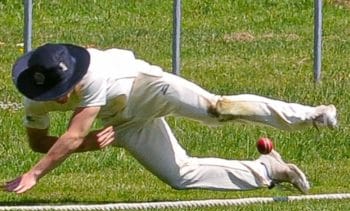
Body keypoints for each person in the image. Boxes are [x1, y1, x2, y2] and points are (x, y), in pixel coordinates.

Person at [3, 43, 337, 194]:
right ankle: (267, 170)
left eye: (66, 87)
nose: (61, 97)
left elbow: (73, 132)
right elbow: (39, 143)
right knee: (181, 176)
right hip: (125, 122)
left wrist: (35, 174)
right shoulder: (34, 101)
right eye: (54, 94)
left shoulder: (93, 74)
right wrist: (89, 144)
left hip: (148, 88)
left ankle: (312, 115)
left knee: (216, 109)